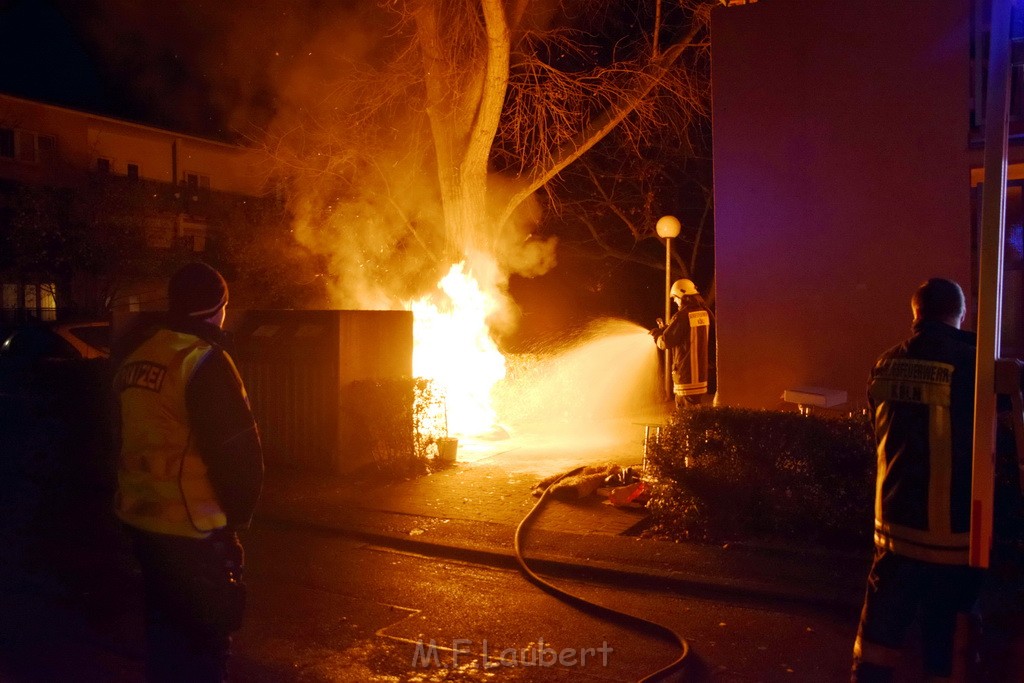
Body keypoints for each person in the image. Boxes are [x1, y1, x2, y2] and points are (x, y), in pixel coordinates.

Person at [113, 262, 263, 682]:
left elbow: (119, 436)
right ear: (219, 307)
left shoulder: (139, 355)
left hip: (141, 526)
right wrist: (235, 522)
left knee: (164, 637)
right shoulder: (205, 362)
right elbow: (238, 456)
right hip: (195, 533)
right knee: (204, 648)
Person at [851, 278, 982, 681]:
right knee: (944, 642)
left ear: (915, 315)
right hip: (955, 537)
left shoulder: (885, 362)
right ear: (960, 314)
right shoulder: (975, 363)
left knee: (877, 640)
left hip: (892, 529)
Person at [651, 278, 713, 408]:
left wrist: (657, 335)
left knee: (686, 420)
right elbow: (687, 333)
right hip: (701, 377)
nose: (674, 301)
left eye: (675, 297)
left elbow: (666, 342)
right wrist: (666, 328)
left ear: (682, 296)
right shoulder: (706, 313)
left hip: (685, 376)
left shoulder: (682, 316)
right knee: (695, 416)